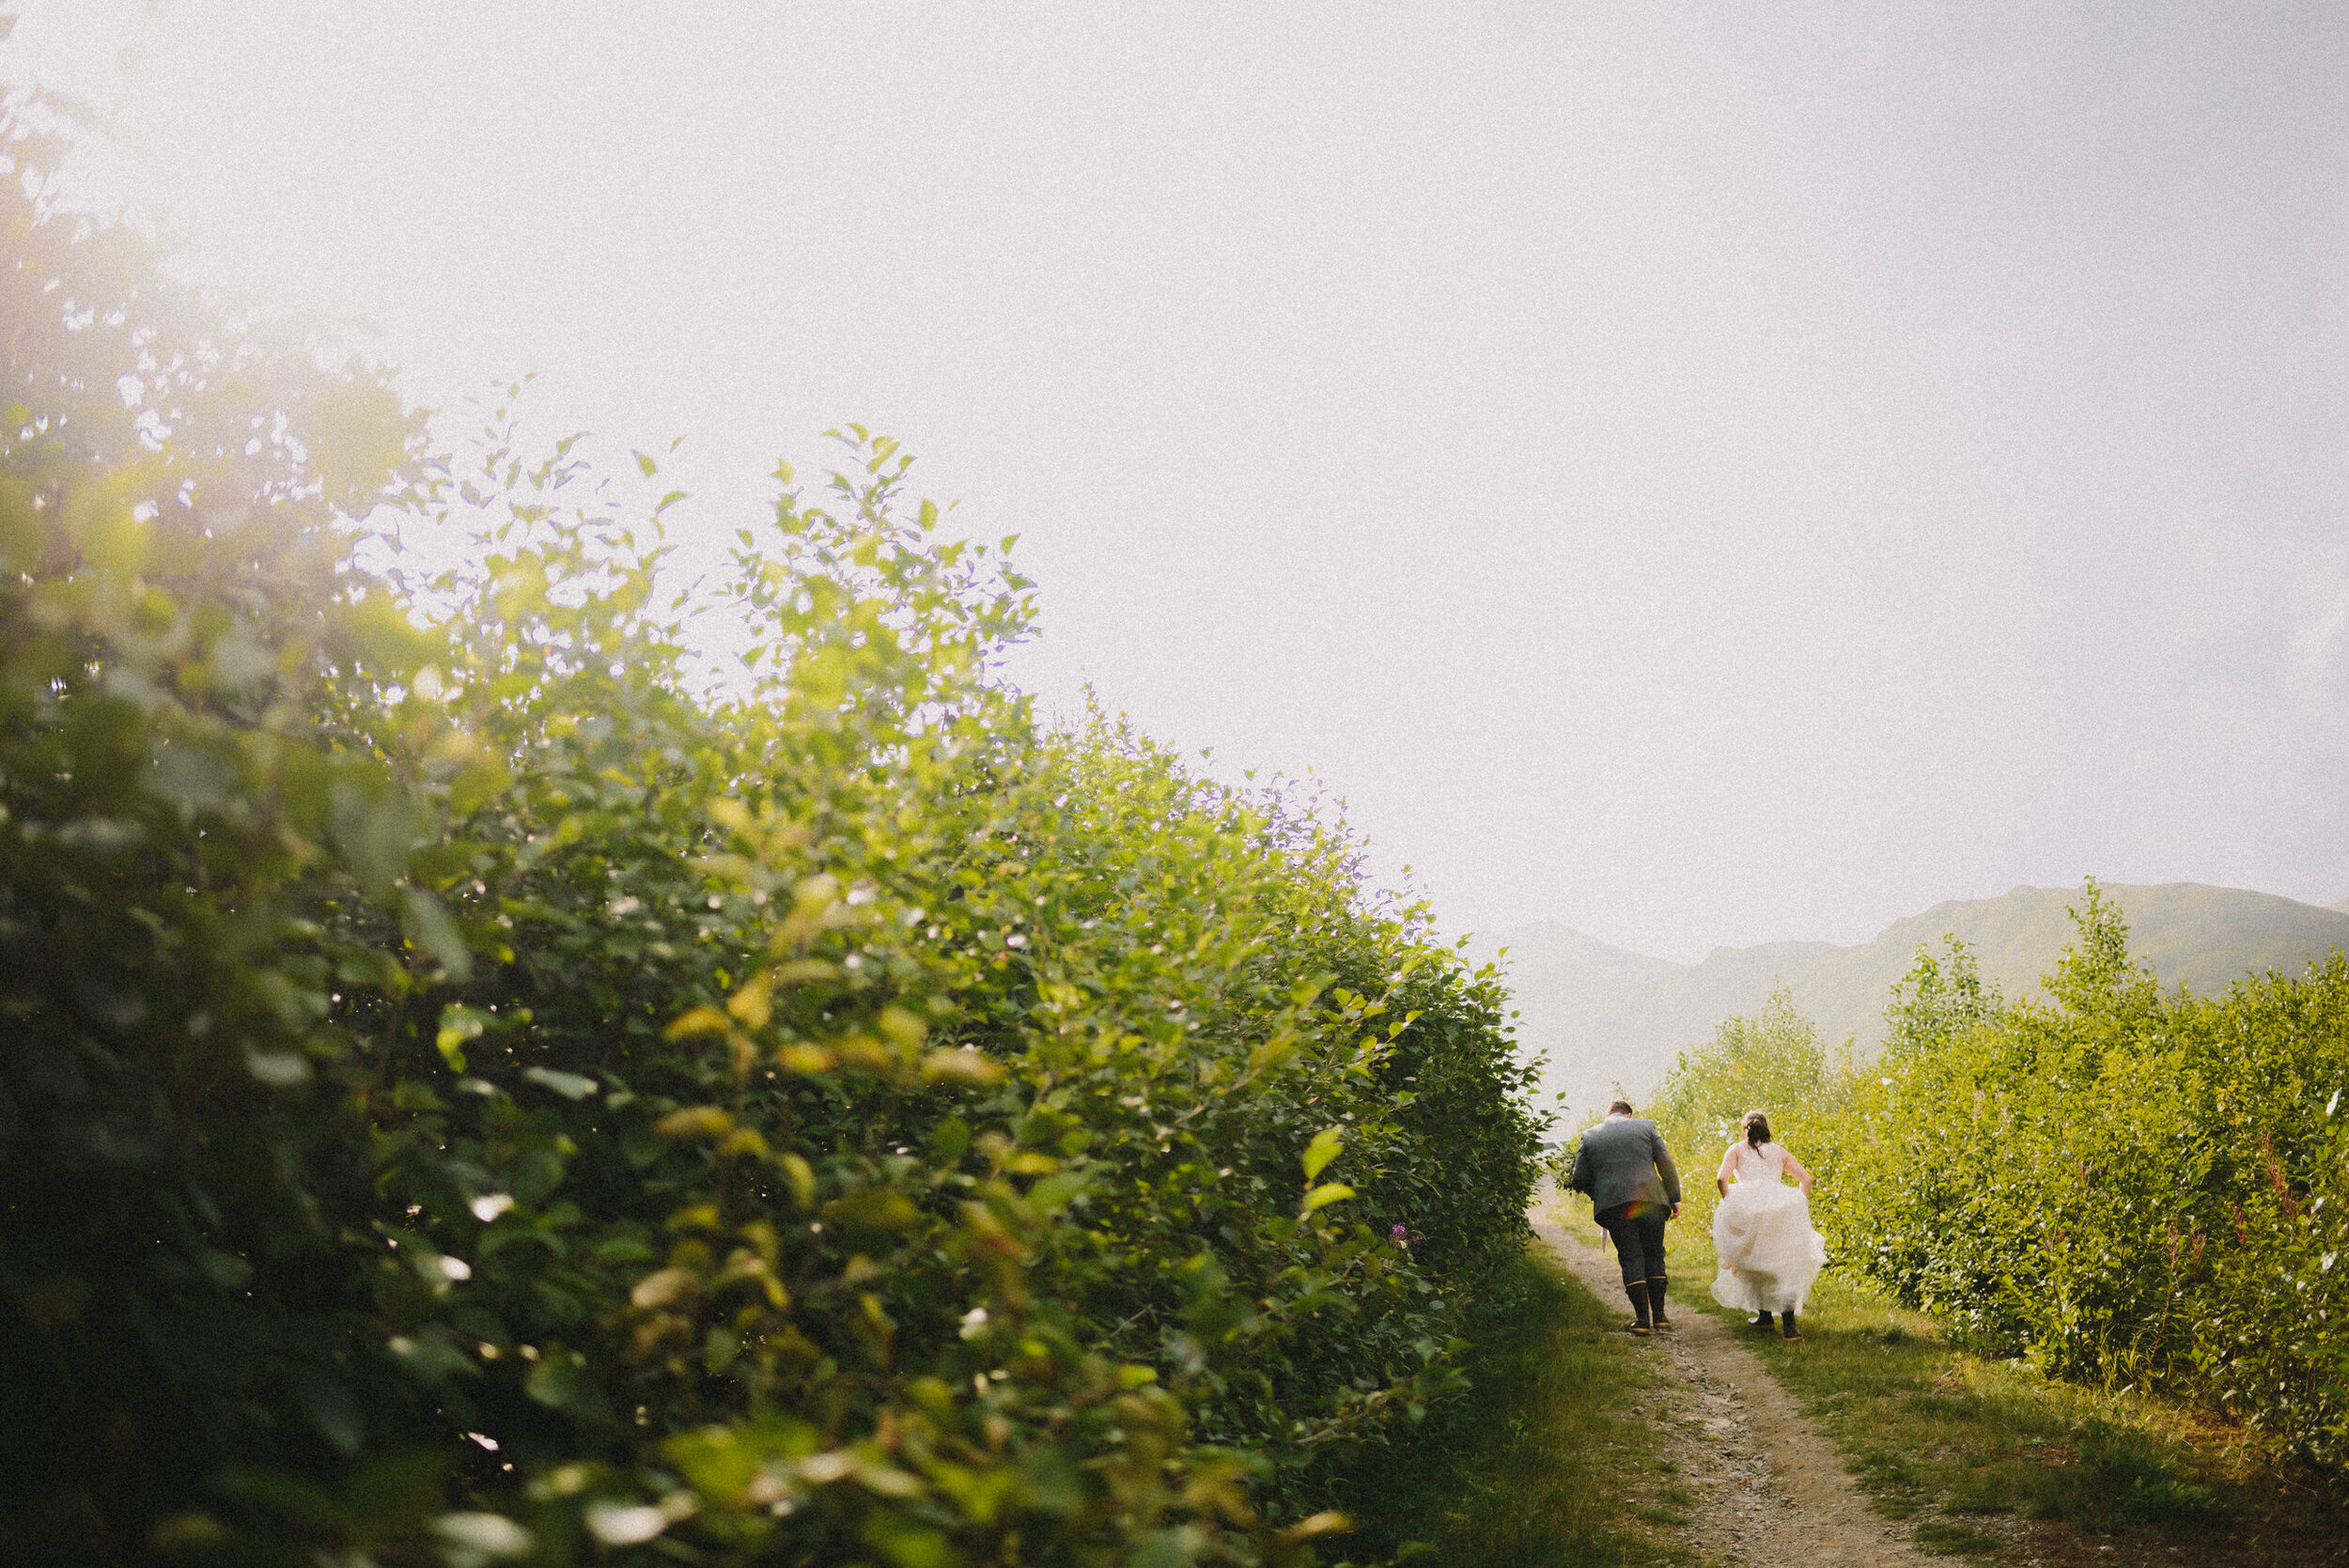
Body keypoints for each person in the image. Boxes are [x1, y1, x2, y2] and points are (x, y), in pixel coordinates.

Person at [1566, 1098, 1681, 1336]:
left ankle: (1641, 1321)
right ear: (1629, 1114)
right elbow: (1665, 1164)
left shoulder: (1589, 1136)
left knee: (1630, 1256)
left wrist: (1601, 1193)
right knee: (1654, 1253)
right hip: (1651, 1201)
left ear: (1607, 1115)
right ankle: (1660, 1317)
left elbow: (1577, 1177)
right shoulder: (1646, 1127)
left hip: (1615, 1206)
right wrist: (1673, 1196)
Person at [1709, 1110, 1827, 1340]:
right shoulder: (1779, 1151)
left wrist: (1731, 1202)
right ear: (1766, 1128)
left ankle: (1764, 1317)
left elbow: (1721, 1179)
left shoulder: (1736, 1149)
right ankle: (1787, 1326)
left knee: (1755, 1262)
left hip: (1749, 1211)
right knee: (1784, 1264)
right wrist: (1798, 1203)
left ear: (1745, 1129)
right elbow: (1806, 1179)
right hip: (1780, 1211)